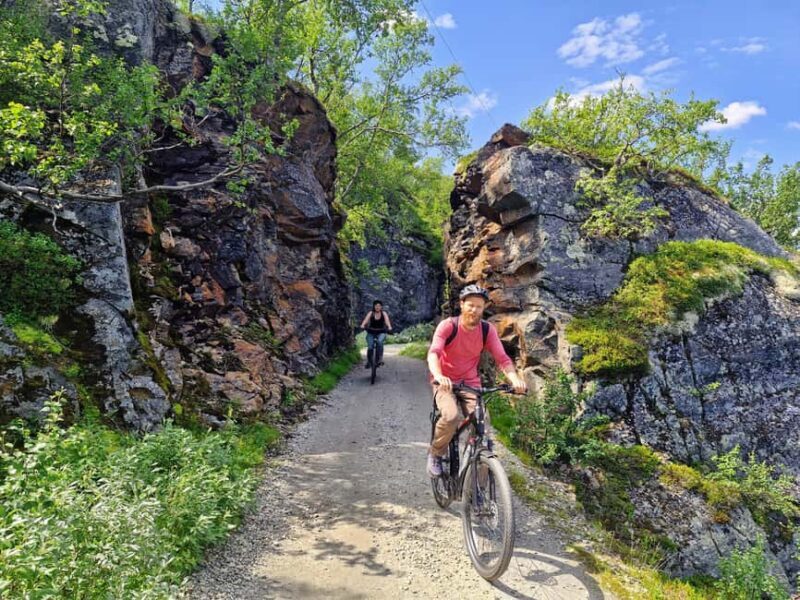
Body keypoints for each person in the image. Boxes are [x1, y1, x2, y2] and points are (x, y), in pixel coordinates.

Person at [426, 284, 527, 477]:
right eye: (470, 305)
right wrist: (438, 375)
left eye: (479, 306)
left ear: (484, 308)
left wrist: (515, 379)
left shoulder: (487, 330)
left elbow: (503, 359)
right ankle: (436, 454)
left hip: (470, 383)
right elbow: (434, 353)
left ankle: (477, 470)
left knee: (482, 423)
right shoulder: (448, 326)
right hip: (445, 381)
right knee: (451, 416)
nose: (474, 310)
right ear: (462, 304)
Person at [360, 300, 393, 369]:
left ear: (381, 307)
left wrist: (389, 327)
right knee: (370, 346)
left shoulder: (384, 313)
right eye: (376, 306)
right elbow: (366, 320)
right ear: (374, 306)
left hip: (381, 332)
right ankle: (369, 361)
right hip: (371, 332)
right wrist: (363, 325)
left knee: (379, 342)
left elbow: (387, 321)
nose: (377, 307)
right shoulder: (371, 313)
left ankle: (380, 359)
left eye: (379, 306)